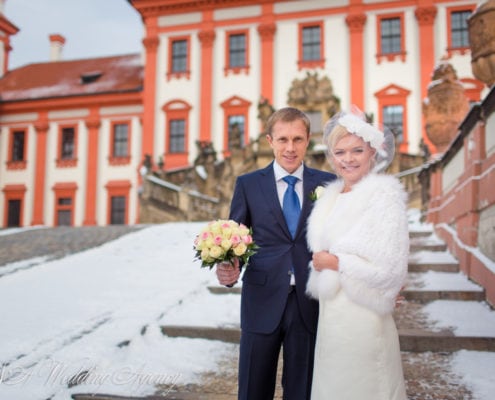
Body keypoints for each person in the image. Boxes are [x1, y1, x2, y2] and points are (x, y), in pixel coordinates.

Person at [216, 107, 336, 400]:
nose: (290, 148)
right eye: (283, 139)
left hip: (309, 303)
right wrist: (229, 268)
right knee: (253, 389)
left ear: (308, 140)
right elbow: (237, 240)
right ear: (270, 140)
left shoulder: (329, 184)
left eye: (297, 139)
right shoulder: (248, 184)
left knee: (302, 390)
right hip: (261, 299)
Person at [306, 110, 409, 400]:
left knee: (364, 386)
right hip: (332, 313)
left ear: (372, 153)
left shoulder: (383, 198)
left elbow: (390, 267)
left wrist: (335, 262)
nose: (347, 159)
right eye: (340, 152)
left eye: (356, 151)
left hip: (364, 313)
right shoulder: (331, 197)